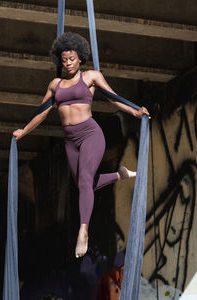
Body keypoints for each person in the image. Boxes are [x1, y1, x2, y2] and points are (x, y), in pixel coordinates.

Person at [13, 32, 150, 258]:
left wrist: (134, 110)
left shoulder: (91, 77)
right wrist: (24, 131)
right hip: (70, 142)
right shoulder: (55, 85)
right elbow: (42, 112)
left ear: (80, 58)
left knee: (86, 180)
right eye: (64, 60)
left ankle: (83, 230)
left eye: (72, 59)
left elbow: (112, 97)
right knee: (84, 185)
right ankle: (120, 175)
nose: (68, 64)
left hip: (90, 135)